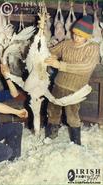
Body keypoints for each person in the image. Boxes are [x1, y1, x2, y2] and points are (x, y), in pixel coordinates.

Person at [45, 15, 100, 145]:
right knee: (52, 111)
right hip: (59, 84)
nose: (76, 37)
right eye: (74, 34)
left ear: (87, 36)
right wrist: (46, 54)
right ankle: (50, 137)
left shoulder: (93, 47)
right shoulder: (67, 43)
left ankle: (75, 143)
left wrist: (60, 65)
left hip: (75, 89)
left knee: (72, 115)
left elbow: (85, 68)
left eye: (80, 36)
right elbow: (52, 52)